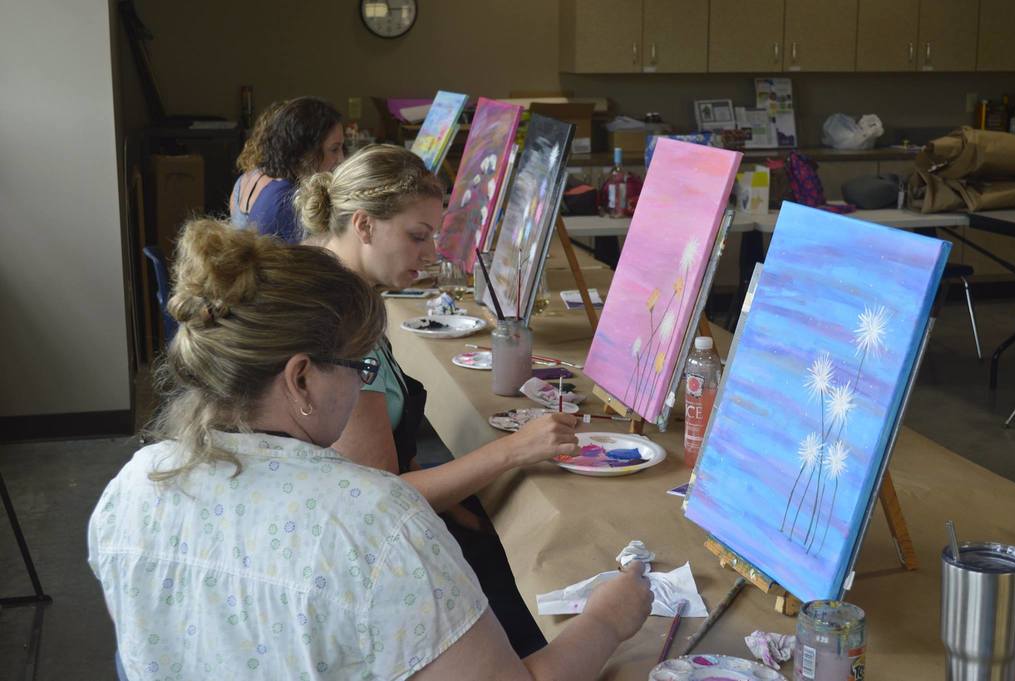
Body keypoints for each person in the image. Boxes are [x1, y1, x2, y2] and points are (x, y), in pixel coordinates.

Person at [87, 219, 652, 680]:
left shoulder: (133, 486)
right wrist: (607, 621)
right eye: (359, 367)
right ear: (300, 380)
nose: (363, 387)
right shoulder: (375, 522)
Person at [296, 144, 578, 657]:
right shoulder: (339, 323)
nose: (430, 255)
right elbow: (383, 498)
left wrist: (462, 507)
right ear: (364, 225)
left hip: (360, 522)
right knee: (539, 611)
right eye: (417, 236)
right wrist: (514, 450)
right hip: (358, 556)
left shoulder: (341, 287)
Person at [230, 96, 344, 242]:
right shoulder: (287, 201)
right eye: (334, 149)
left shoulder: (275, 187)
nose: (341, 159)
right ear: (305, 152)